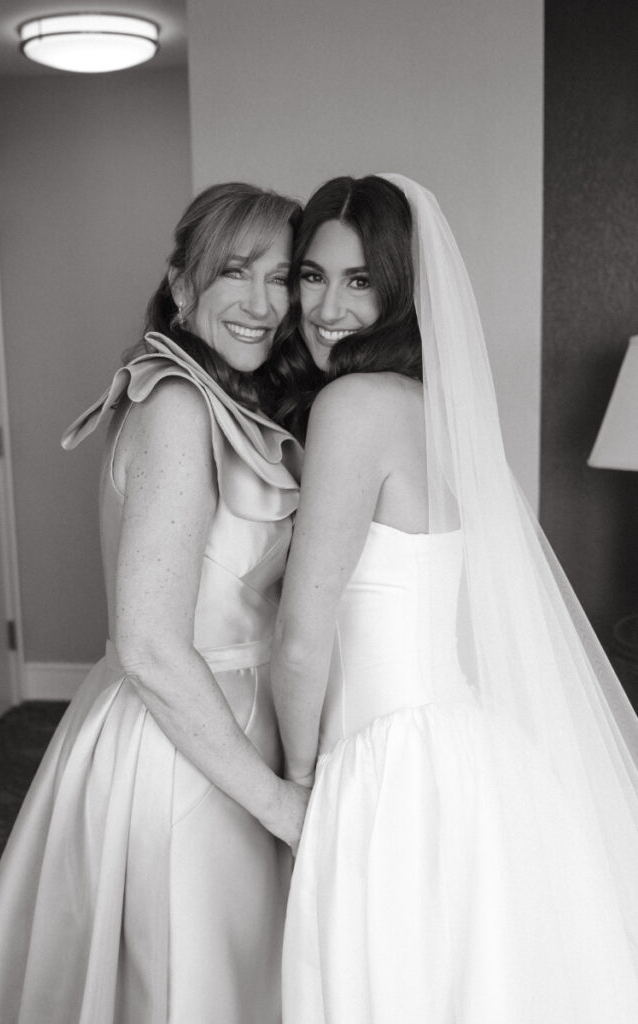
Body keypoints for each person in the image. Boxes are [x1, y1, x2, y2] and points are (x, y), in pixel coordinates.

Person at [271, 174, 638, 1022]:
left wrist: (298, 778)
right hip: (457, 743)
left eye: (358, 281)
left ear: (398, 289)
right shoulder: (428, 406)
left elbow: (300, 638)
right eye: (312, 277)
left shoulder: (352, 403)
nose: (325, 306)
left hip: (383, 760)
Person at [0, 182, 309, 1024]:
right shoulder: (178, 404)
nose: (263, 303)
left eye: (283, 277)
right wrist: (282, 807)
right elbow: (150, 644)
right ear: (183, 284)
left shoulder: (218, 393)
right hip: (181, 751)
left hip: (223, 729)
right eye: (236, 272)